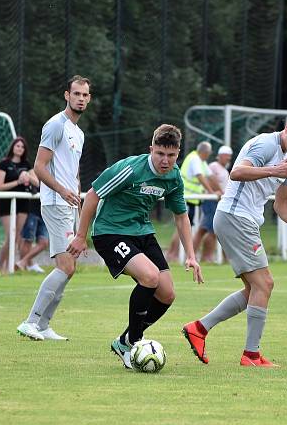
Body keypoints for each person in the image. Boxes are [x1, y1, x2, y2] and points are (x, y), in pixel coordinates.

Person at [181, 112, 287, 367]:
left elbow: (281, 204)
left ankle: (199, 329)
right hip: (235, 216)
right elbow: (237, 172)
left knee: (254, 289)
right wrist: (273, 170)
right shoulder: (267, 144)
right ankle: (251, 355)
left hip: (243, 220)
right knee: (265, 284)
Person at [67, 124, 203, 369]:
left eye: (171, 155)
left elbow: (181, 216)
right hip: (110, 231)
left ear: (178, 154)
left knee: (167, 294)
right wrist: (80, 235)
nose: (165, 160)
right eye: (160, 153)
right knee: (149, 277)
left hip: (142, 231)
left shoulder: (173, 177)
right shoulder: (130, 169)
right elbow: (93, 195)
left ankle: (125, 340)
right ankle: (134, 343)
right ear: (151, 149)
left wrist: (191, 255)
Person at [16, 75, 91, 341]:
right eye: (77, 94)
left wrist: (80, 214)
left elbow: (75, 175)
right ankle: (31, 322)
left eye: (85, 95)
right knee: (66, 266)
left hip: (69, 205)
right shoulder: (55, 125)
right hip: (55, 202)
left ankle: (44, 325)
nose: (81, 98)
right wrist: (62, 191)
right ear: (66, 95)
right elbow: (39, 166)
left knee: (69, 268)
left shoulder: (78, 132)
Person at [166, 141, 221, 261]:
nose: (209, 155)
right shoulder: (195, 159)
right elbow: (200, 176)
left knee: (185, 225)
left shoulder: (200, 161)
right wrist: (212, 192)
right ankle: (172, 254)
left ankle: (174, 254)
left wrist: (221, 192)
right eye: (209, 153)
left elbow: (210, 176)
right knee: (182, 225)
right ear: (205, 152)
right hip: (185, 197)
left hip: (191, 199)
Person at [0, 137, 36, 273]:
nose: (20, 148)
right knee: (10, 236)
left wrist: (28, 177)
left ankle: (10, 267)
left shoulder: (26, 164)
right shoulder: (4, 164)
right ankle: (1, 268)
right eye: (17, 146)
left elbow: (38, 183)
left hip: (23, 203)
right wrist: (18, 181)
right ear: (13, 147)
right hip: (7, 203)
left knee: (17, 236)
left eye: (22, 147)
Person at [194, 144, 233, 262]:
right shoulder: (213, 166)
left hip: (218, 202)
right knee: (208, 229)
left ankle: (203, 255)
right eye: (226, 156)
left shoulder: (224, 171)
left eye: (229, 156)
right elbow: (208, 179)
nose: (228, 159)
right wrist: (216, 191)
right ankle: (205, 256)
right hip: (211, 201)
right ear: (220, 156)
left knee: (208, 230)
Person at [15, 193, 49, 273]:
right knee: (28, 240)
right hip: (32, 211)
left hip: (45, 212)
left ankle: (23, 262)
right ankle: (25, 266)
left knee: (44, 243)